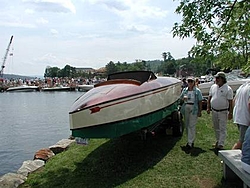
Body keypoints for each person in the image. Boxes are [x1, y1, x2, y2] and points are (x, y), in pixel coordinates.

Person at [206, 72, 233, 150]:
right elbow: (209, 97)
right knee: (216, 127)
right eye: (216, 78)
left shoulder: (228, 89)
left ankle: (221, 144)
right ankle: (218, 141)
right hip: (214, 111)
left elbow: (231, 102)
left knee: (222, 128)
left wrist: (230, 112)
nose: (216, 80)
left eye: (218, 78)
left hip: (223, 111)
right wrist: (208, 107)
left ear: (223, 79)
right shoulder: (213, 87)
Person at [180, 76, 203, 149]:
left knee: (191, 125)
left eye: (191, 81)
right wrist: (183, 98)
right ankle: (190, 140)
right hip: (186, 106)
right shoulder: (185, 90)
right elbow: (181, 98)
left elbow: (200, 101)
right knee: (187, 124)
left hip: (194, 108)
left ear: (194, 83)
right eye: (188, 81)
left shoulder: (197, 91)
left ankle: (190, 142)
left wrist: (200, 111)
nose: (189, 83)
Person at [232, 82, 250, 149]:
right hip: (245, 119)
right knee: (242, 141)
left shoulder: (242, 86)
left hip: (239, 116)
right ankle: (228, 158)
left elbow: (234, 101)